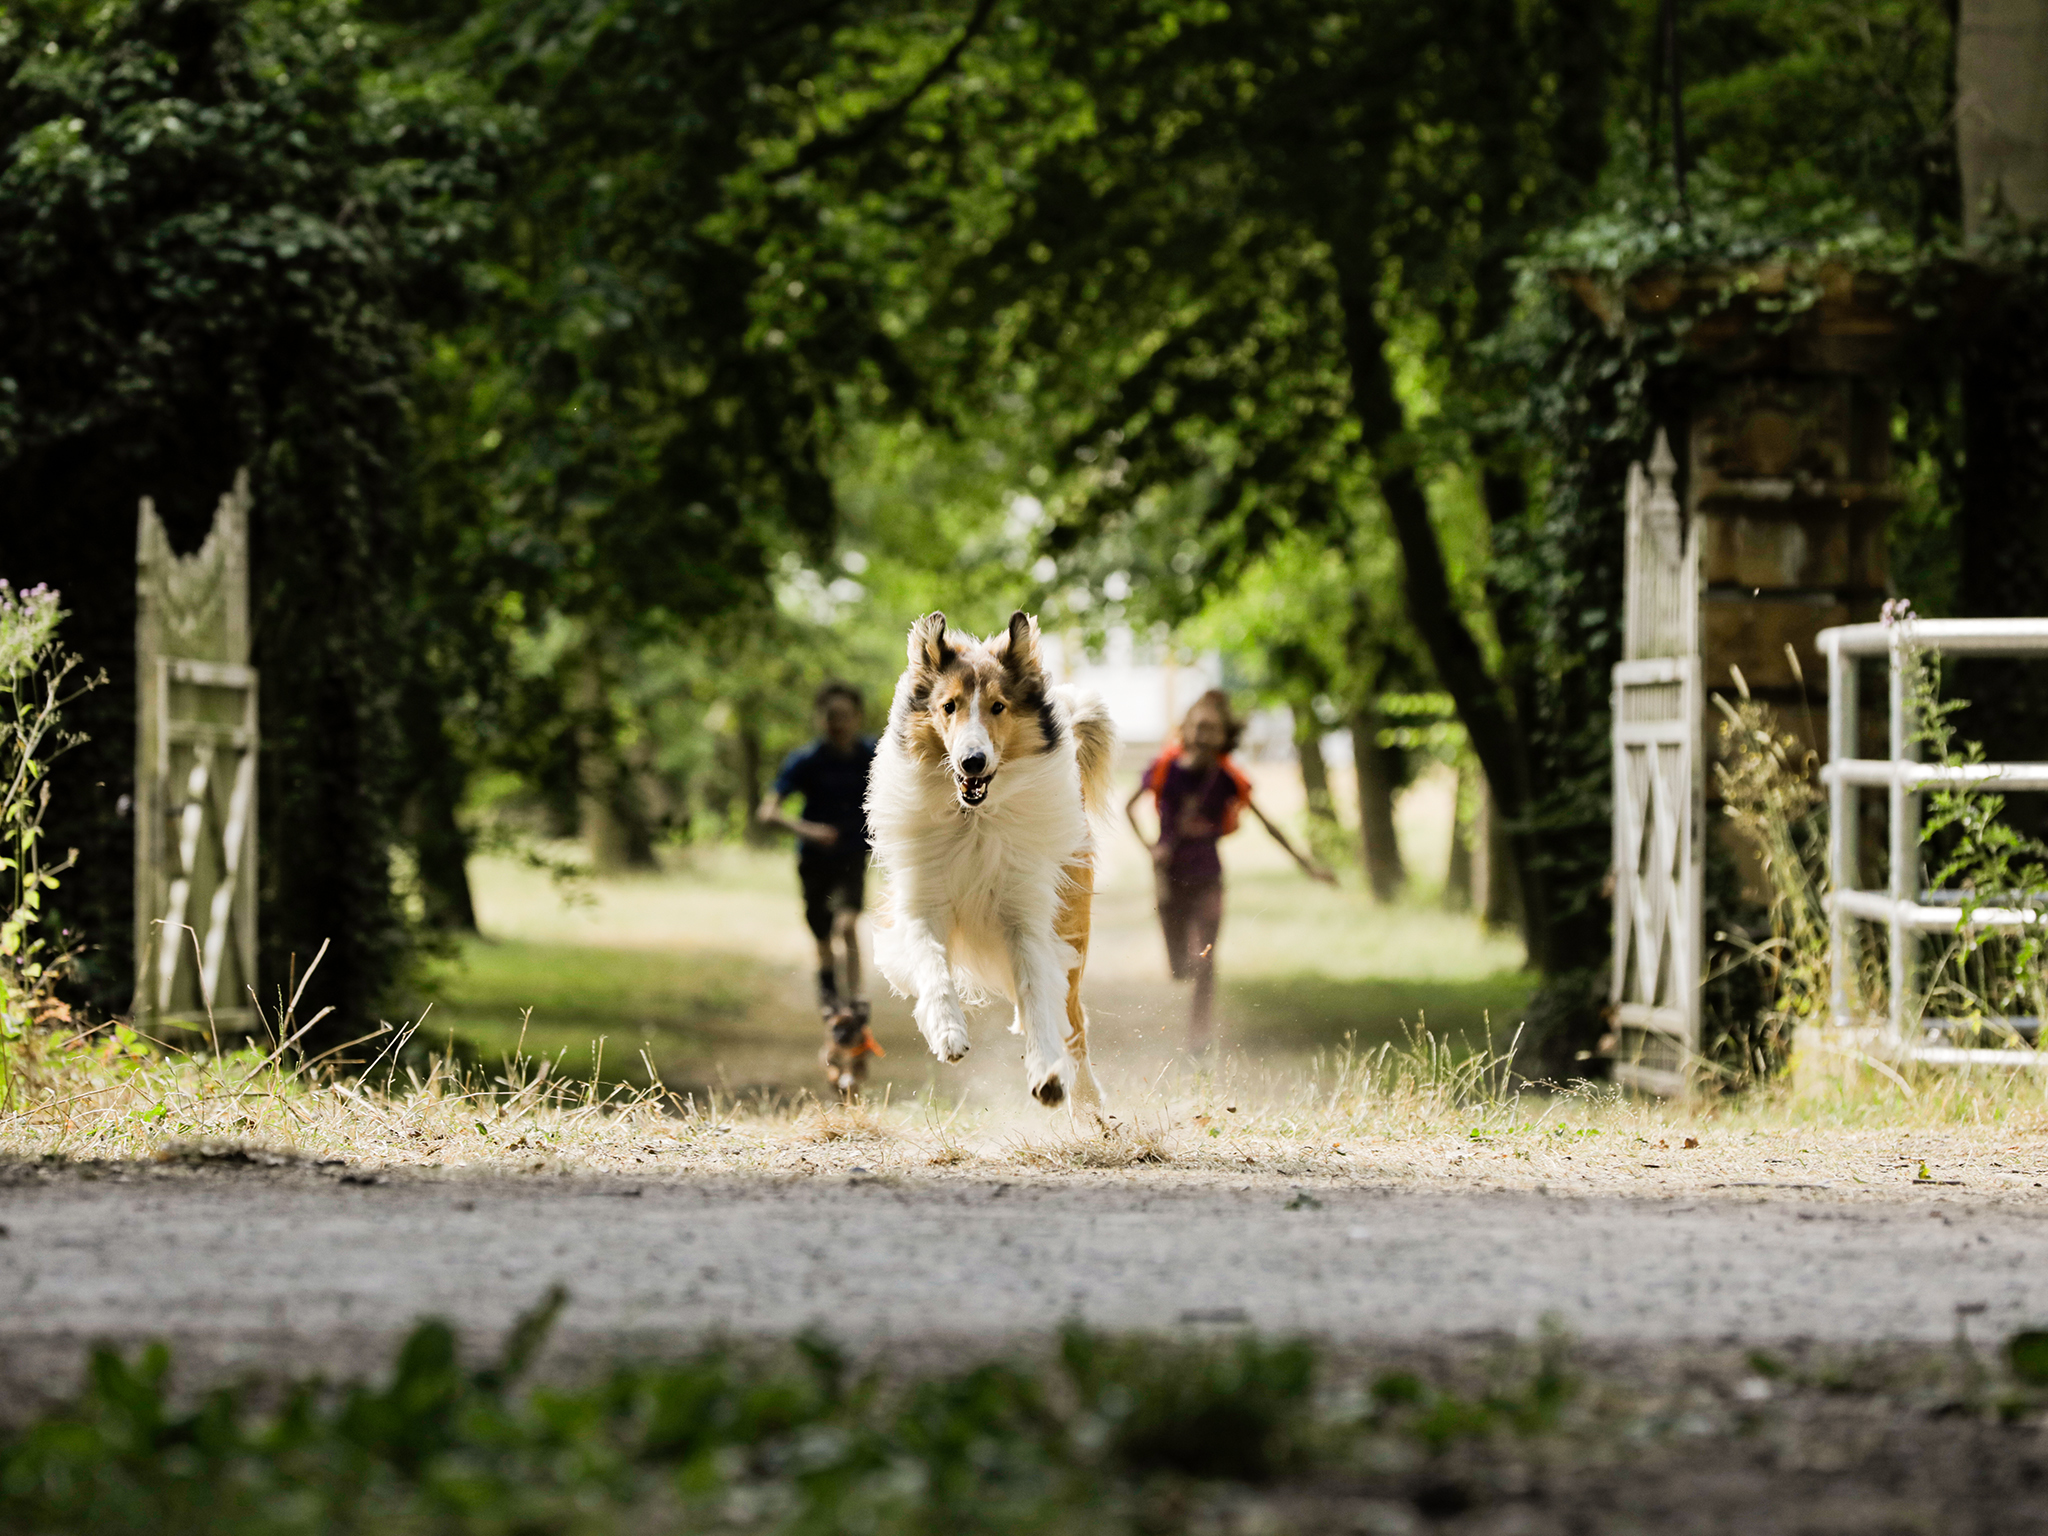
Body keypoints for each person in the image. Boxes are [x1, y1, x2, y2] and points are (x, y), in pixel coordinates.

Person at [1126, 689, 1335, 1051]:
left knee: (1204, 959)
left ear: (1225, 736)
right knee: (1180, 968)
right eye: (1200, 727)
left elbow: (1269, 825)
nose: (1205, 735)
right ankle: (1190, 997)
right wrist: (1150, 848)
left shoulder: (1227, 777)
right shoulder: (1164, 768)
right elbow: (1128, 808)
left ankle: (1199, 1036)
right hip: (1169, 880)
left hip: (1209, 877)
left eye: (1213, 729)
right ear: (1186, 729)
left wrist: (1308, 866)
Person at [758, 681, 877, 1009]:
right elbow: (767, 812)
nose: (837, 723)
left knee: (849, 924)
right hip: (814, 860)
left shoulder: (874, 755)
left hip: (853, 854)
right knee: (824, 938)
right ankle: (830, 1001)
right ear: (819, 719)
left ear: (857, 717)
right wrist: (808, 830)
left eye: (844, 715)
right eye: (830, 716)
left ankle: (856, 1002)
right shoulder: (805, 761)